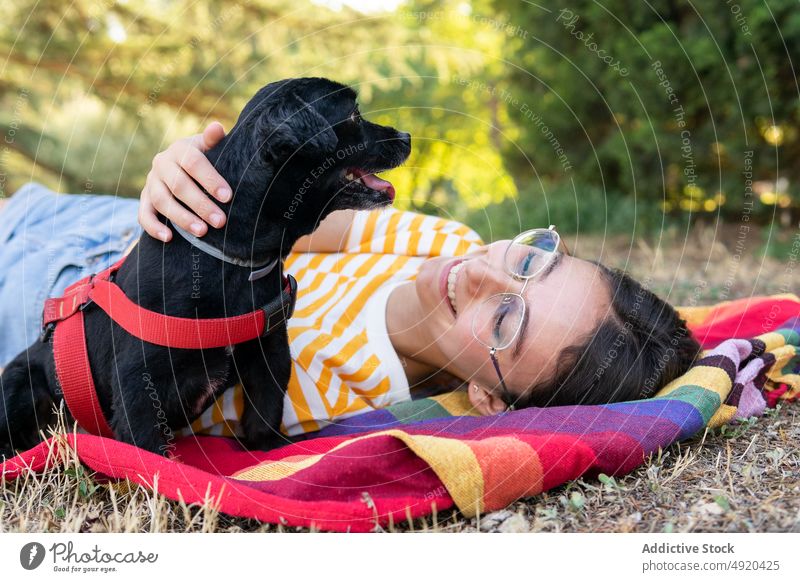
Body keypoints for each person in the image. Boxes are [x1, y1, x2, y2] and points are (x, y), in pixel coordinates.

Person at [0, 122, 701, 441]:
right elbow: (285, 213)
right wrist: (190, 175)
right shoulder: (447, 242)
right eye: (530, 260)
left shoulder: (328, 391)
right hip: (108, 223)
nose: (482, 273)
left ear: (487, 396)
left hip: (59, 312)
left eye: (505, 323)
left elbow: (148, 379)